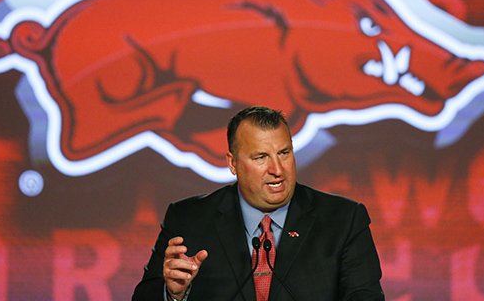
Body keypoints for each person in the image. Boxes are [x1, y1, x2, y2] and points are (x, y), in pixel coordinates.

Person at [132, 106, 384, 300]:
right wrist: (174, 294)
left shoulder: (344, 220)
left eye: (284, 153)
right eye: (261, 157)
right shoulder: (188, 219)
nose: (277, 169)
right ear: (233, 163)